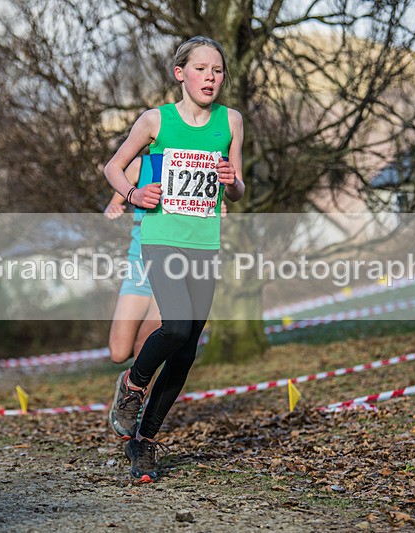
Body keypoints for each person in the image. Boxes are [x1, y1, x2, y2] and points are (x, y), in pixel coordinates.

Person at [104, 35, 245, 483]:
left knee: (185, 353)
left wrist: (231, 181)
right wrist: (132, 192)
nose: (211, 77)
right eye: (201, 69)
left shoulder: (231, 121)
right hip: (162, 237)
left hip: (205, 244)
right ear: (181, 73)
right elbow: (112, 166)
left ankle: (143, 443)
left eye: (217, 70)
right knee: (176, 327)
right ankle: (132, 385)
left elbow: (239, 189)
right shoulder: (155, 120)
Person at [104, 156, 161, 364]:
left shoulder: (193, 163)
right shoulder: (141, 165)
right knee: (118, 352)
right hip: (139, 264)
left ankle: (136, 394)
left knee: (144, 346)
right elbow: (113, 205)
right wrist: (112, 209)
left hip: (173, 268)